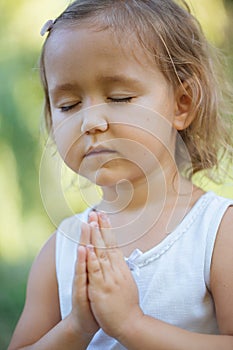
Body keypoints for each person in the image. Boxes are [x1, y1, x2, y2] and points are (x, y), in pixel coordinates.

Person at [8, 0, 233, 349]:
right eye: (68, 105)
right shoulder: (62, 248)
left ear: (181, 104)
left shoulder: (216, 232)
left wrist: (132, 325)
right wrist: (77, 326)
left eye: (119, 97)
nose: (91, 122)